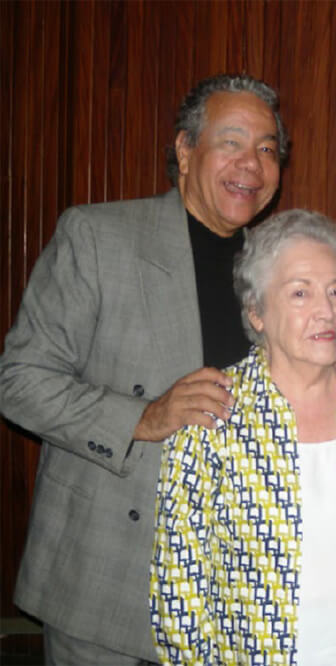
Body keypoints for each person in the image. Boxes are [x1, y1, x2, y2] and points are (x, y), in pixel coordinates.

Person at [0, 73, 287, 664]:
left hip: (228, 589)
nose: (251, 164)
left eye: (267, 148)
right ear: (185, 150)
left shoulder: (280, 266)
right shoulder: (100, 235)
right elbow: (20, 381)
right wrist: (143, 417)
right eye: (231, 141)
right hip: (106, 579)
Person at [150, 209, 336, 665]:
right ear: (257, 312)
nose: (325, 310)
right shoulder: (212, 409)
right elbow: (179, 582)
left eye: (335, 291)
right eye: (300, 293)